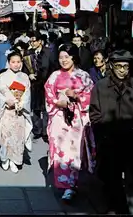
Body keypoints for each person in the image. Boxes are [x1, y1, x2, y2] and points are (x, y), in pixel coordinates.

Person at [89, 50, 133, 214]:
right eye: (119, 66)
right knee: (111, 179)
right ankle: (113, 207)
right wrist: (103, 134)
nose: (122, 70)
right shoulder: (101, 87)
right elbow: (94, 114)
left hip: (132, 140)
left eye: (126, 67)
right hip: (109, 141)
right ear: (111, 66)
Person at [44, 44, 94, 201]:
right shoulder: (54, 76)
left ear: (74, 57)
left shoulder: (84, 76)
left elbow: (90, 96)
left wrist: (77, 97)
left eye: (67, 57)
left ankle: (73, 184)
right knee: (61, 151)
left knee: (75, 151)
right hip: (59, 117)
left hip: (77, 119)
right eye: (61, 57)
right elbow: (48, 95)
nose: (63, 60)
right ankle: (66, 186)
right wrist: (59, 102)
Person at [0, 51, 33, 174]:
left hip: (19, 112)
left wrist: (21, 103)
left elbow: (27, 94)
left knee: (18, 137)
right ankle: (5, 159)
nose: (16, 64)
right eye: (13, 62)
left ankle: (15, 160)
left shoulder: (24, 77)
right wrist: (6, 100)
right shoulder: (2, 76)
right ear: (8, 63)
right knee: (5, 136)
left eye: (18, 62)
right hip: (6, 111)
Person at [28, 32, 56, 142]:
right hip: (34, 84)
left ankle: (45, 131)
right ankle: (37, 130)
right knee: (35, 108)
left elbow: (53, 67)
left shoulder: (49, 52)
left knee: (45, 108)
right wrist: (29, 74)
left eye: (34, 41)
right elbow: (25, 67)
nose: (32, 43)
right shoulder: (28, 53)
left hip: (45, 84)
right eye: (31, 41)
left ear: (40, 41)